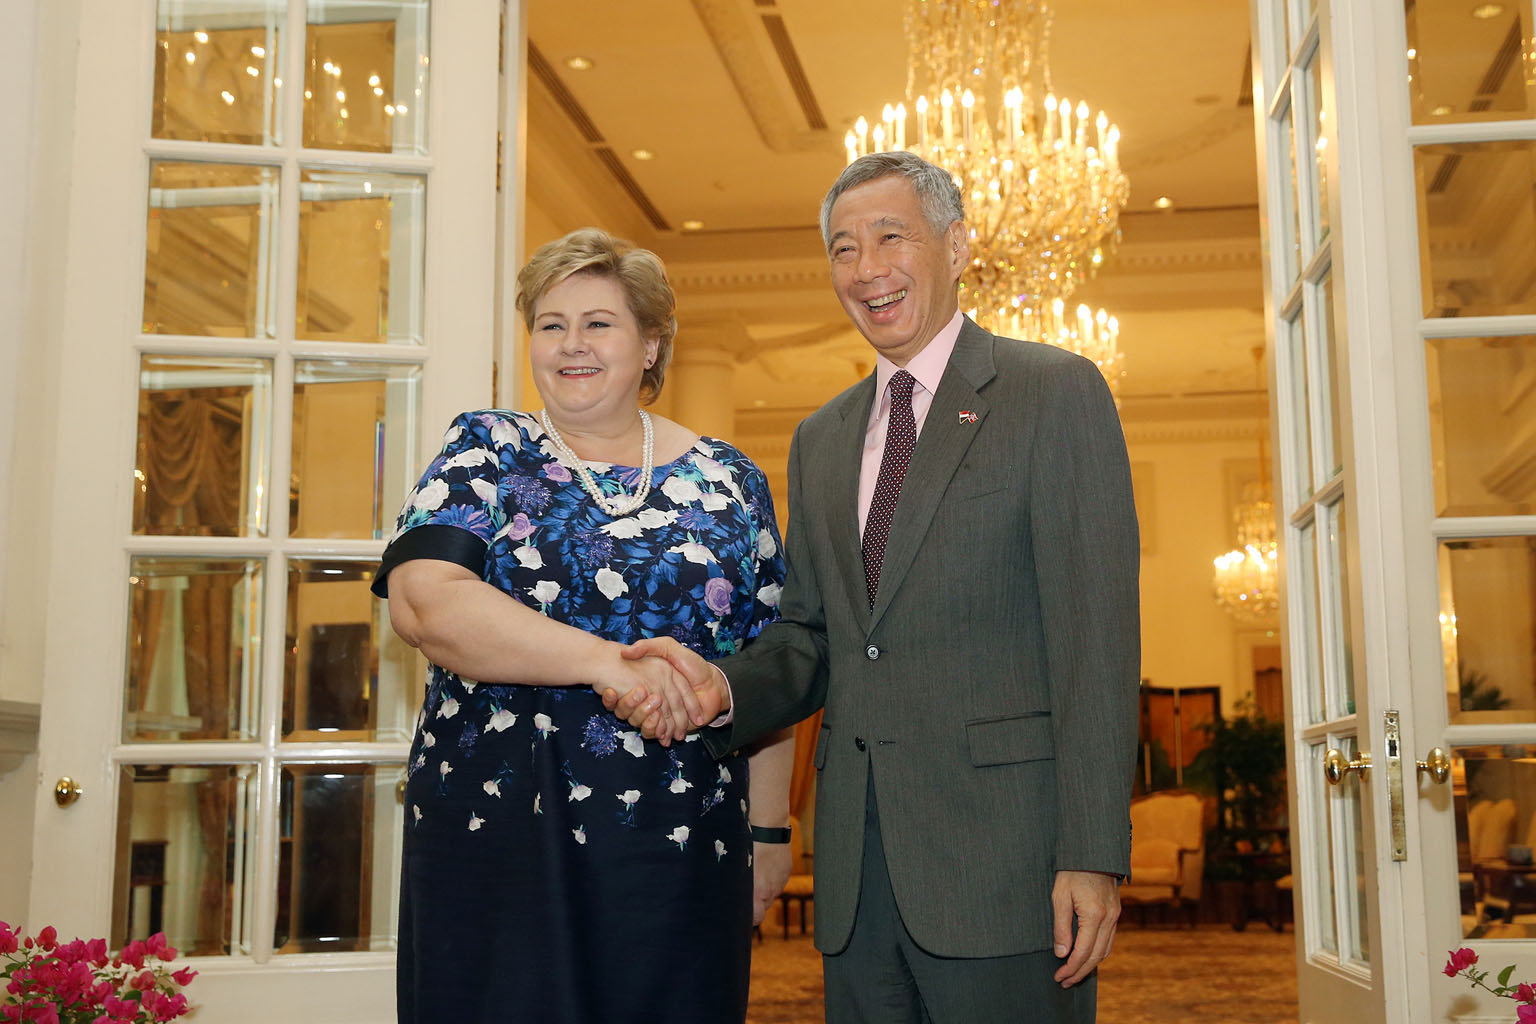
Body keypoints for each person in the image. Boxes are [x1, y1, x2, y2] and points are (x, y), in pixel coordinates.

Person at [608, 152, 1140, 1023]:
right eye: (844, 249)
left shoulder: (1054, 393)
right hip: (858, 876)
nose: (867, 269)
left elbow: (1098, 646)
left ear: (958, 246)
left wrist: (1092, 852)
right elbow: (810, 634)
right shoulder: (822, 438)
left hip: (1007, 866)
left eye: (892, 237)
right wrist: (721, 686)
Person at [373, 227, 795, 1023]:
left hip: (679, 844)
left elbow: (770, 665)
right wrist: (608, 664)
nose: (572, 345)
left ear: (650, 344)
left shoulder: (731, 480)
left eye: (598, 323)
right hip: (497, 838)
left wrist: (770, 833)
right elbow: (424, 600)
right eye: (551, 323)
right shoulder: (486, 450)